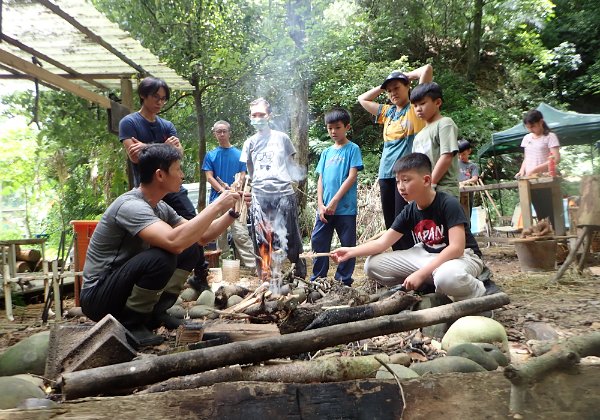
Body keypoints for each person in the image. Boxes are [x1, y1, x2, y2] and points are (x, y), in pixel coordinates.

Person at [80, 144, 241, 347]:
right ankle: (132, 323)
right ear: (160, 175)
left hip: (121, 289)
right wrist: (217, 204)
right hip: (98, 297)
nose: (182, 175)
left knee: (192, 247)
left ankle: (155, 313)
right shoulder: (131, 206)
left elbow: (201, 237)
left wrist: (231, 213)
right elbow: (173, 242)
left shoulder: (160, 206)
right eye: (178, 169)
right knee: (161, 258)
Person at [331, 153, 485, 302]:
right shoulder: (410, 210)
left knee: (448, 278)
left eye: (406, 180)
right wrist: (350, 252)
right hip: (426, 255)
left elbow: (456, 248)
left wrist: (421, 273)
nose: (400, 187)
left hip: (462, 257)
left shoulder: (448, 203)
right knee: (371, 265)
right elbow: (382, 243)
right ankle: (428, 285)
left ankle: (479, 293)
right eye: (398, 181)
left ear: (426, 180)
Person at [119, 77, 210, 293]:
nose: (160, 102)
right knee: (154, 236)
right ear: (143, 95)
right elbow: (135, 156)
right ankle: (148, 284)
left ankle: (200, 274)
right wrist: (162, 146)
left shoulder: (166, 125)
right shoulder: (129, 123)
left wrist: (150, 147)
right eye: (155, 97)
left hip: (172, 188)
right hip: (148, 191)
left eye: (163, 98)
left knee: (192, 223)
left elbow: (177, 155)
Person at [358, 64, 433, 250]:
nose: (393, 93)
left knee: (404, 220)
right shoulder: (388, 112)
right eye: (389, 91)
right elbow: (362, 99)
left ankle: (411, 262)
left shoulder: (415, 107)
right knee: (391, 223)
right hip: (385, 173)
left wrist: (404, 75)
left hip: (407, 174)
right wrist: (385, 85)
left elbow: (427, 70)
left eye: (397, 88)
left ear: (407, 87)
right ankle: (398, 263)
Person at [240, 98, 306, 280]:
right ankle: (266, 277)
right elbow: (250, 171)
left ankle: (299, 276)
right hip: (260, 196)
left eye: (261, 114)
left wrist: (286, 179)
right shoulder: (249, 143)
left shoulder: (282, 138)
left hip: (284, 193)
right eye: (254, 115)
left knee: (290, 237)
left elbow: (290, 164)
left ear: (269, 115)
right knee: (262, 238)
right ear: (250, 117)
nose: (258, 118)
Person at [310, 108, 363, 286]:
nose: (333, 131)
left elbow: (352, 176)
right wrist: (320, 204)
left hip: (345, 208)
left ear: (347, 127)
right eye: (330, 128)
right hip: (325, 210)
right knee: (318, 241)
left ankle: (343, 281)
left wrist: (335, 201)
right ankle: (318, 279)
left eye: (337, 127)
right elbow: (321, 179)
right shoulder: (326, 153)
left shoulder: (352, 149)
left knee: (347, 244)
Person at [202, 120, 256, 268]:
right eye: (218, 131)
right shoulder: (211, 155)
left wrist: (235, 186)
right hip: (217, 201)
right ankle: (224, 269)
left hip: (237, 202)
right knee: (220, 237)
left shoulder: (240, 154)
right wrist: (223, 190)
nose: (221, 134)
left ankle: (253, 268)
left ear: (229, 132)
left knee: (241, 235)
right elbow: (209, 177)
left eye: (224, 131)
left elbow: (242, 175)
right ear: (215, 134)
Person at [410, 82, 459, 198]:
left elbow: (447, 156)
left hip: (445, 190)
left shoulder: (445, 123)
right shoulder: (418, 136)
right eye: (415, 106)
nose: (418, 109)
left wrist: (431, 184)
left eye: (422, 103)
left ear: (437, 102)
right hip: (424, 192)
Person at [515, 109, 561, 223]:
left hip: (546, 178)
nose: (531, 129)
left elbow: (556, 158)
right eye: (528, 127)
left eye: (533, 126)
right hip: (530, 179)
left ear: (541, 122)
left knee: (551, 211)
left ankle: (556, 237)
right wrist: (522, 171)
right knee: (540, 212)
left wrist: (535, 169)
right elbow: (527, 158)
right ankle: (545, 235)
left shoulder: (550, 136)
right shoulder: (527, 138)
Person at [457, 139, 480, 219]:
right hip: (456, 192)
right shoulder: (454, 163)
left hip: (468, 194)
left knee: (467, 214)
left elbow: (474, 178)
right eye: (459, 154)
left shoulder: (473, 166)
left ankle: (467, 229)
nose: (461, 157)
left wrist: (463, 182)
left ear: (469, 151)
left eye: (463, 154)